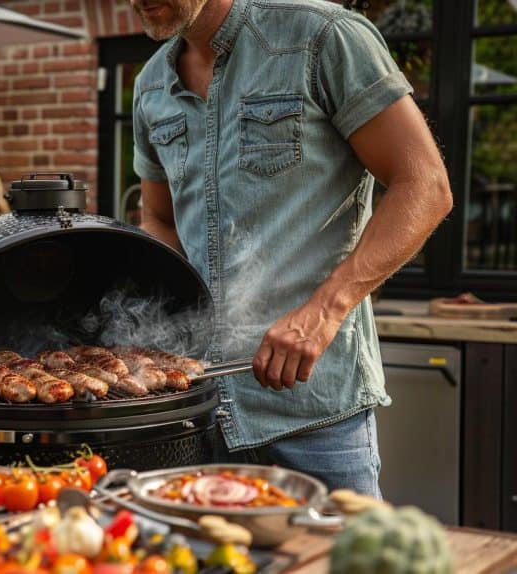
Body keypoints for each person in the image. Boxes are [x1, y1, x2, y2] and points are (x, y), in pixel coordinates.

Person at [130, 0, 452, 496]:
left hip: (314, 415)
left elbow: (425, 185)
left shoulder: (322, 37)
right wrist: (167, 326)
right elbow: (159, 217)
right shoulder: (150, 84)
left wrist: (325, 311)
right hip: (197, 417)